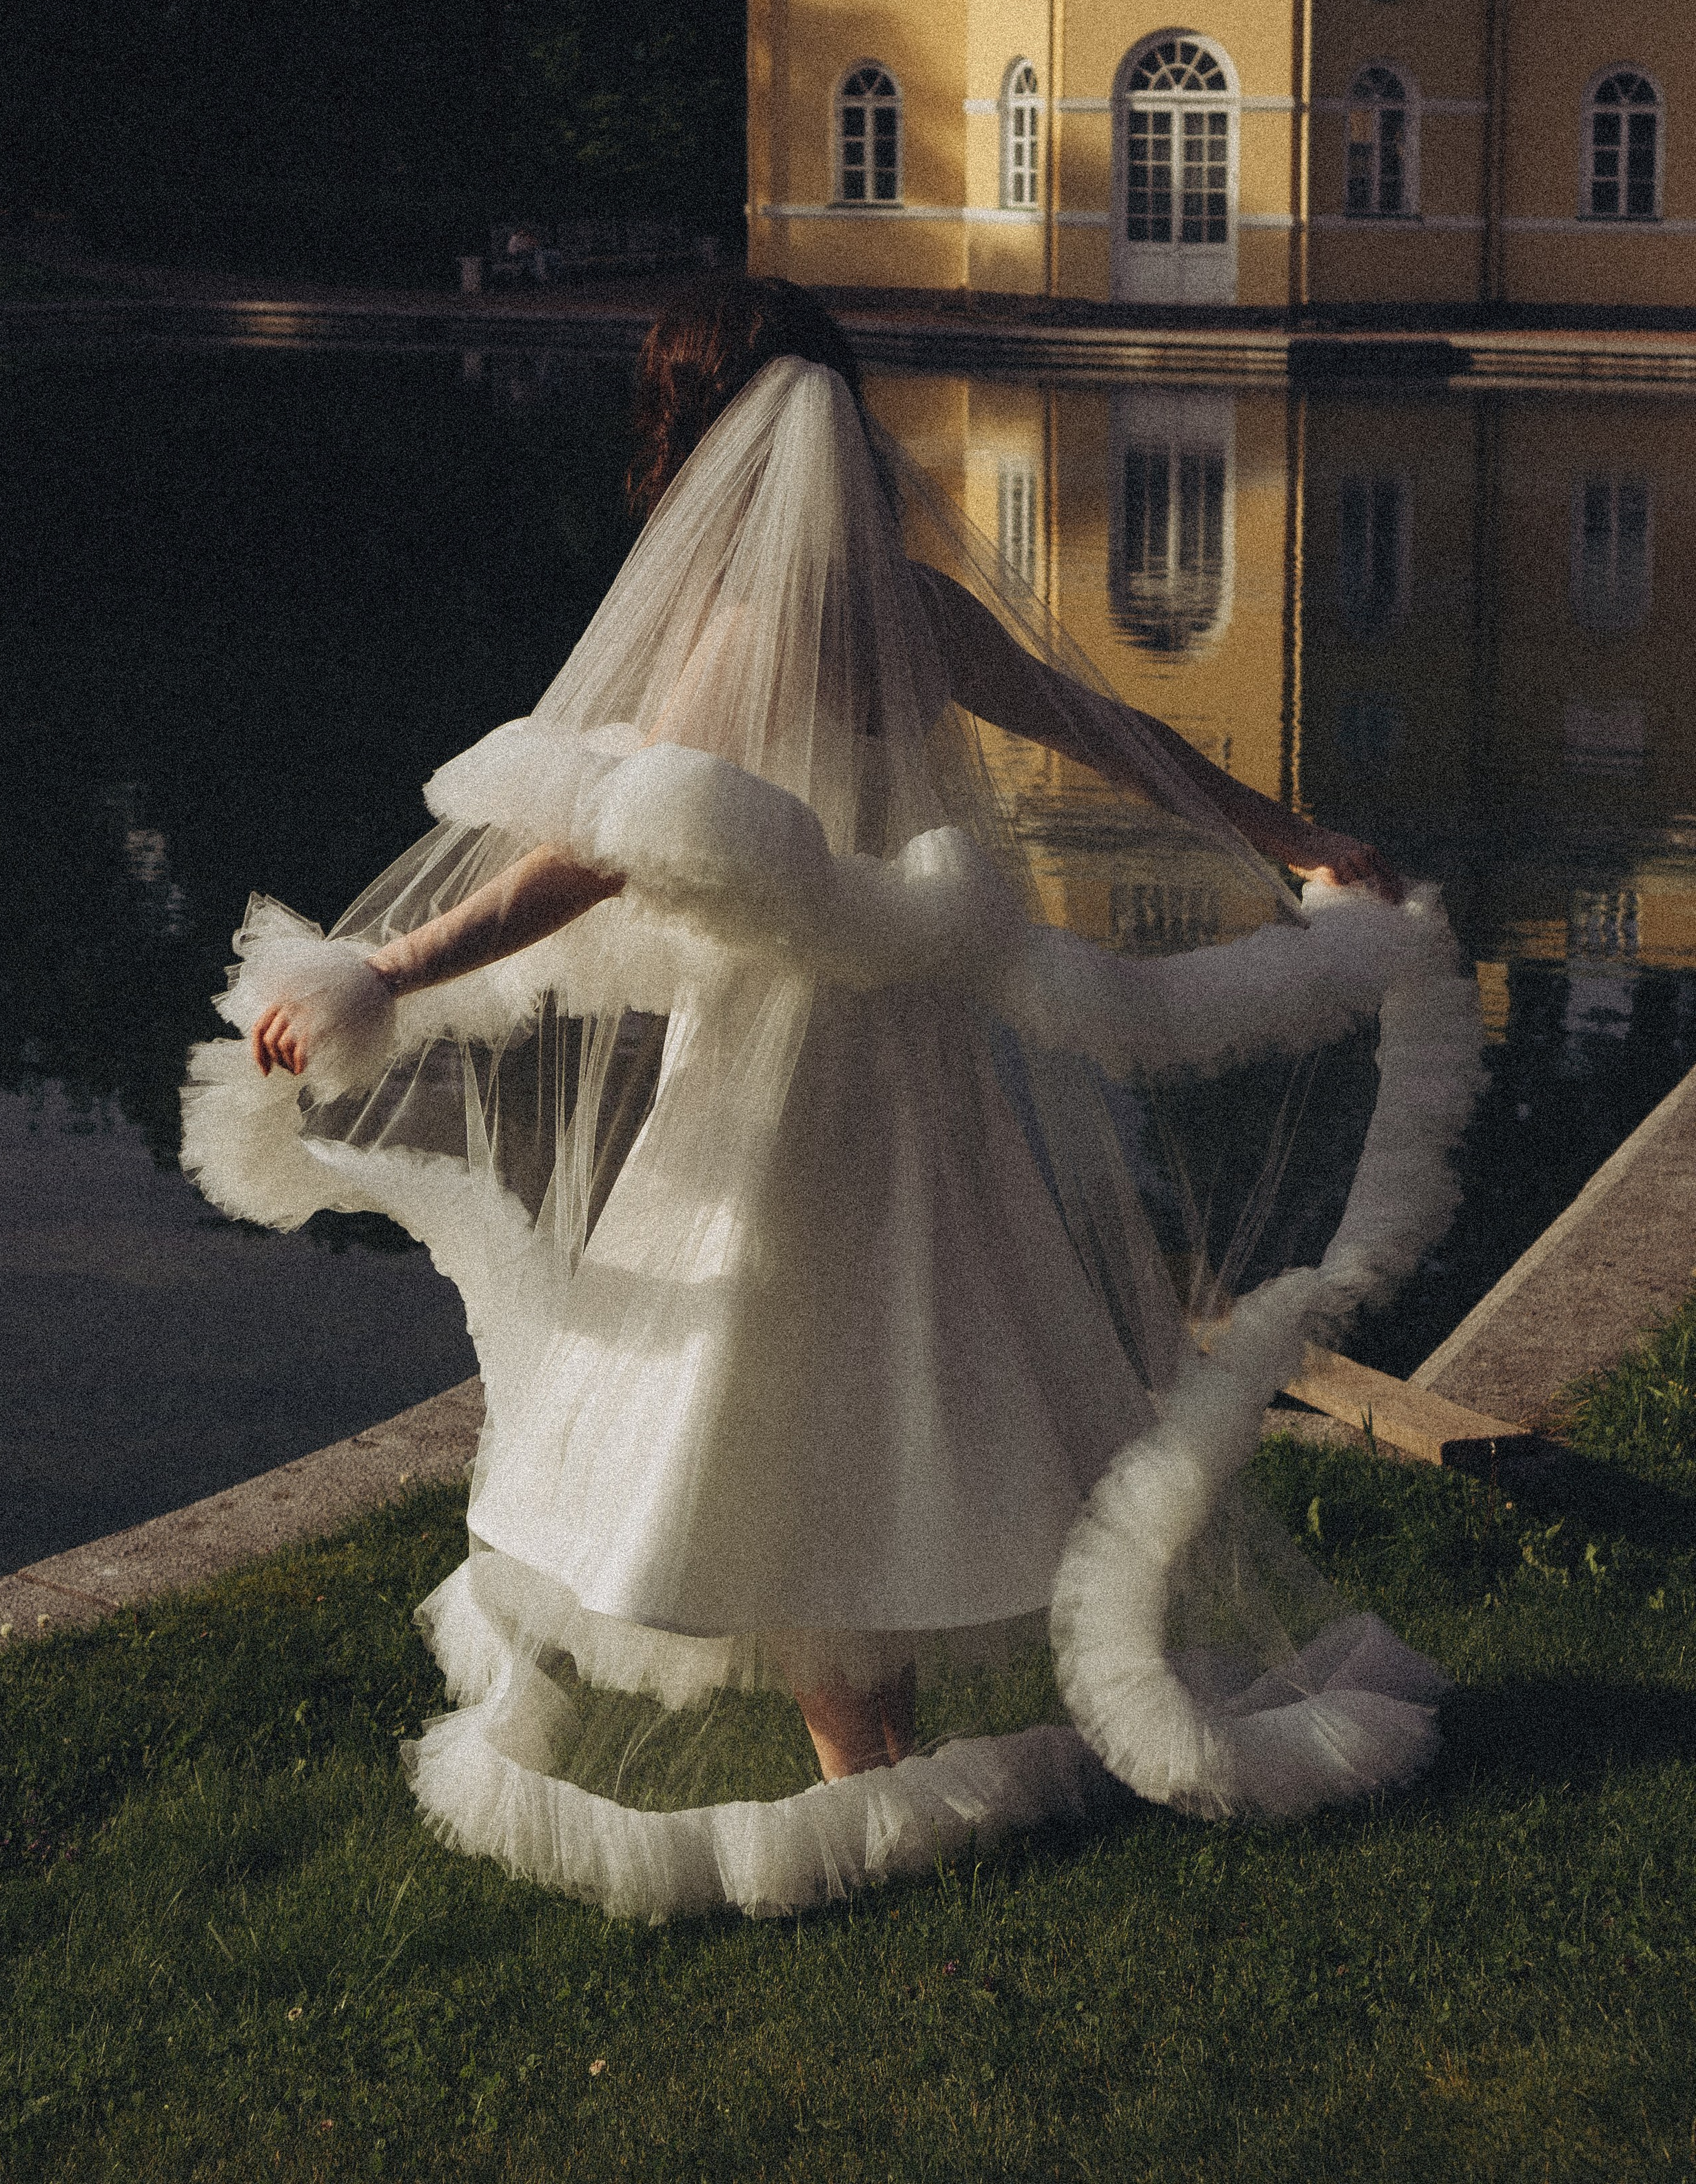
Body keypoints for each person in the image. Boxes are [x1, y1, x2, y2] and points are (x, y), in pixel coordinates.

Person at [188, 276, 1446, 1917]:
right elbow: (1114, 733)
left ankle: (865, 1788)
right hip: (921, 1065)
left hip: (776, 1071)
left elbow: (589, 857)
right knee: (914, 1370)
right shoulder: (916, 614)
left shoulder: (736, 633)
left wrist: (393, 965)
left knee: (775, 1401)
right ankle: (882, 1761)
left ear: (694, 440)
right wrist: (1297, 838)